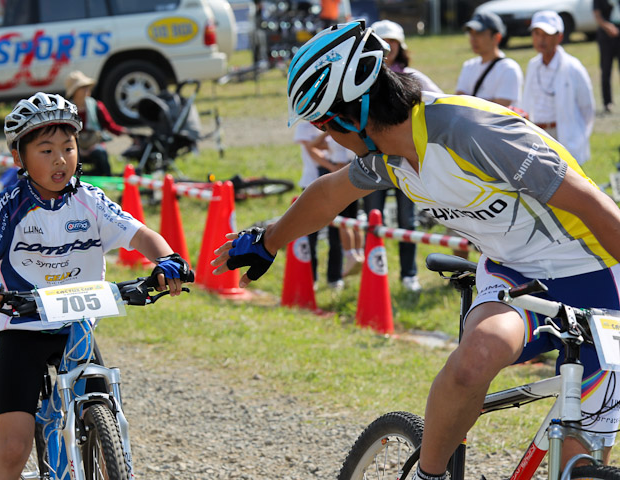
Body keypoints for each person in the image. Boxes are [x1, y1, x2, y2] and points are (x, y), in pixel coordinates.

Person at [212, 20, 620, 478]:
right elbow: (329, 194)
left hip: (596, 273)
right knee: (475, 358)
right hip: (515, 272)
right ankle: (430, 474)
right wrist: (268, 242)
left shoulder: (468, 132)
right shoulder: (390, 156)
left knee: (578, 464)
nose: (326, 138)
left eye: (325, 124)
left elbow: (592, 204)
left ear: (352, 116)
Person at [0, 92, 192, 480]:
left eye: (68, 147)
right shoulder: (12, 203)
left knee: (107, 417)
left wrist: (167, 260)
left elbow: (141, 235)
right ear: (19, 158)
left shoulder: (91, 200)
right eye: (46, 150)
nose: (60, 159)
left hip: (78, 329)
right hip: (23, 331)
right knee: (13, 448)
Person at [366, 19, 444, 292]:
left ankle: (409, 274)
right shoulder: (364, 80)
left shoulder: (412, 76)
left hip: (405, 160)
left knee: (406, 219)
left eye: (393, 43)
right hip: (373, 161)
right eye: (382, 44)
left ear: (402, 46)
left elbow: (442, 102)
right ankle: (373, 274)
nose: (388, 50)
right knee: (372, 217)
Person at [294, 122, 363, 289]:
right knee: (311, 233)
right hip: (312, 182)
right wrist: (332, 167)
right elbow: (312, 150)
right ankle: (311, 277)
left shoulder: (337, 122)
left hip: (333, 182)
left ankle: (335, 277)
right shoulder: (304, 126)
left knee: (337, 231)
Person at [521, 11, 595, 165]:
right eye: (536, 33)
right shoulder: (533, 65)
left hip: (563, 135)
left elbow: (587, 108)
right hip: (539, 136)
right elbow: (527, 102)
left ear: (559, 37)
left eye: (546, 34)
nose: (541, 39)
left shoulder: (573, 67)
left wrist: (578, 137)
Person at [64, 70, 127, 177]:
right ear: (75, 91)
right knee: (71, 155)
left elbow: (109, 125)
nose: (86, 90)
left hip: (94, 143)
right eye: (82, 87)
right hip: (75, 144)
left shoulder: (96, 105)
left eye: (87, 87)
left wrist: (125, 132)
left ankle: (107, 176)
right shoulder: (67, 110)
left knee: (100, 152)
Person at [455, 12, 524, 108]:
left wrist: (468, 102)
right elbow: (458, 102)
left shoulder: (508, 68)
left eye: (479, 34)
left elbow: (499, 108)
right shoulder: (468, 66)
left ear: (496, 37)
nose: (473, 39)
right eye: (471, 34)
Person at [593, 0, 620, 113]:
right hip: (605, 36)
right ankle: (607, 102)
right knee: (606, 69)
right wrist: (607, 26)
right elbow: (597, 14)